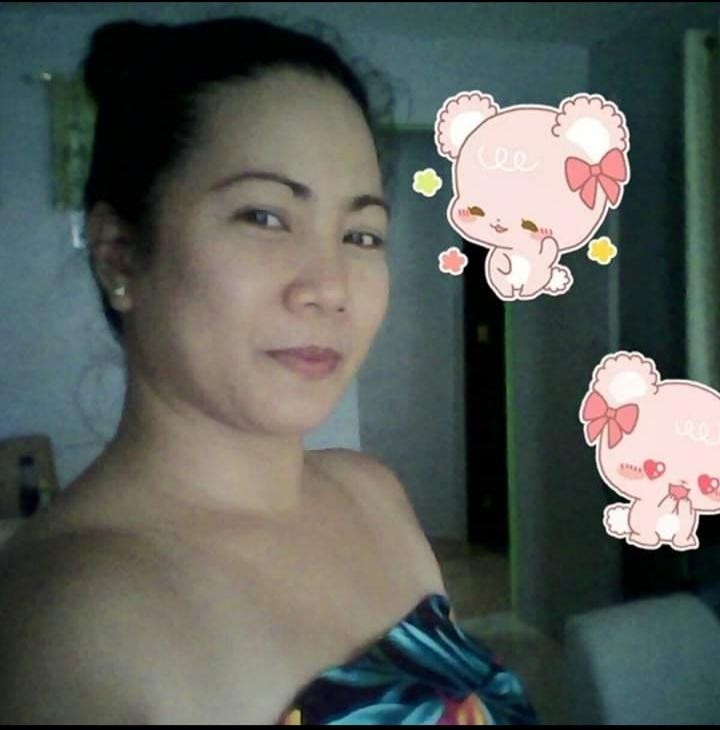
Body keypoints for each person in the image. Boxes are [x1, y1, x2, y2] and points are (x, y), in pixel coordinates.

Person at [0, 16, 537, 725]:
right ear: (119, 254)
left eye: (361, 234)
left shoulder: (373, 493)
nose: (331, 287)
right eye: (263, 216)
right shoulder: (73, 619)